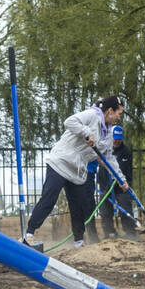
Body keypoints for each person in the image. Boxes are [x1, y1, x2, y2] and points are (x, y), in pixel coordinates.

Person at [23, 96, 125, 250]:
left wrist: (121, 179)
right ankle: (29, 235)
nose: (119, 117)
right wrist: (86, 133)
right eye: (118, 113)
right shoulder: (92, 115)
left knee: (78, 206)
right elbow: (69, 121)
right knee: (49, 199)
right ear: (110, 111)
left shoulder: (108, 133)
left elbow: (108, 158)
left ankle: (79, 241)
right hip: (61, 162)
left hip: (77, 171)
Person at [97, 124, 136, 238]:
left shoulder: (126, 152)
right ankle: (110, 233)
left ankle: (130, 233)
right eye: (115, 138)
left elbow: (126, 170)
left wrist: (126, 183)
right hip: (105, 185)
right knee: (105, 211)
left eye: (119, 138)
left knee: (126, 208)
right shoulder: (104, 149)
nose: (117, 141)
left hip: (121, 186)